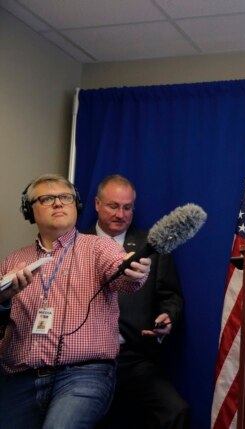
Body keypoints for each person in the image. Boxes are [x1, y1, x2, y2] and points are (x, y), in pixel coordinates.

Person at [0, 173, 151, 429]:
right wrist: (3, 299)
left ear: (77, 205)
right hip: (19, 378)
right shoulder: (13, 261)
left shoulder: (101, 248)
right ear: (30, 211)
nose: (58, 203)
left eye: (65, 197)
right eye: (47, 198)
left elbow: (124, 277)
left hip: (83, 374)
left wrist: (134, 273)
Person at [89, 174, 189, 429]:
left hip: (133, 358)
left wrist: (168, 318)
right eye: (113, 206)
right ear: (97, 204)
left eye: (128, 207)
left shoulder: (151, 246)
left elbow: (171, 296)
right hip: (85, 360)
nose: (121, 214)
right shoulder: (77, 244)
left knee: (177, 411)